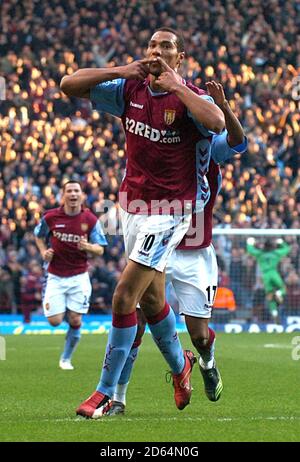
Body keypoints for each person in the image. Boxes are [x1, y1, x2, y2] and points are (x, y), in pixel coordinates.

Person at [60, 27, 225, 417]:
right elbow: (69, 84)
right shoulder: (129, 90)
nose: (157, 51)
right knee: (152, 302)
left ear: (179, 57)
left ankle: (105, 393)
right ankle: (181, 367)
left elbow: (217, 123)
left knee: (123, 297)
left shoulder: (189, 99)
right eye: (152, 46)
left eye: (166, 47)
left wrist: (177, 86)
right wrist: (125, 69)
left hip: (172, 211)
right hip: (133, 208)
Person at [107, 81, 248, 416]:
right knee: (135, 318)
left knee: (199, 336)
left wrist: (223, 106)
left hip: (195, 251)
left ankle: (205, 360)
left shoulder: (206, 147)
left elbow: (238, 142)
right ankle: (118, 398)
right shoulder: (158, 147)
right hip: (157, 244)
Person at [34, 180, 107, 369]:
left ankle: (65, 359)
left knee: (75, 319)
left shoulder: (90, 219)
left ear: (81, 195)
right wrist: (44, 251)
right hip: (56, 276)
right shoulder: (50, 217)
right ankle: (61, 307)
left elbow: (100, 249)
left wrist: (88, 246)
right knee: (54, 321)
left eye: (76, 191)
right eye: (69, 191)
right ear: (63, 195)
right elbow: (38, 235)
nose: (73, 194)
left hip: (79, 276)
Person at [246, 237, 291, 319]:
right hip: (274, 273)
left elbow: (250, 250)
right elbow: (287, 249)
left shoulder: (260, 254)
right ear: (272, 246)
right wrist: (281, 243)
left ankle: (274, 312)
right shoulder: (276, 253)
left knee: (270, 294)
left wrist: (250, 243)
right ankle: (279, 293)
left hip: (265, 275)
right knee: (282, 288)